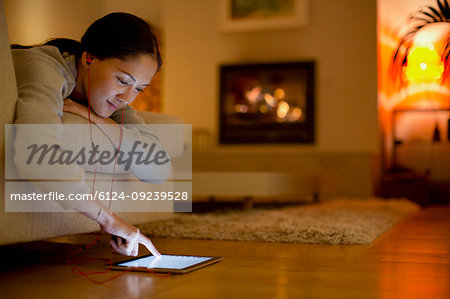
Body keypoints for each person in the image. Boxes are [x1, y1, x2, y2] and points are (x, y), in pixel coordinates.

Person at [11, 12, 168, 257]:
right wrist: (107, 219)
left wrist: (97, 119)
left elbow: (160, 169)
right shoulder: (43, 68)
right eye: (123, 80)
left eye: (138, 88)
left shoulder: (112, 104)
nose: (126, 97)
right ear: (89, 58)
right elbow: (37, 155)